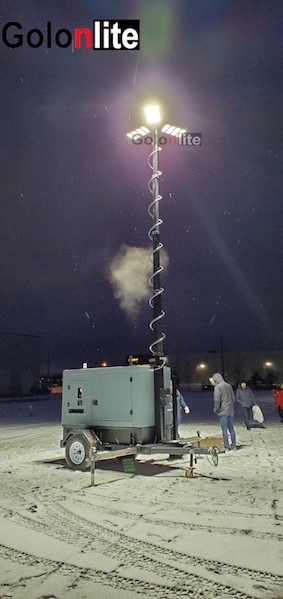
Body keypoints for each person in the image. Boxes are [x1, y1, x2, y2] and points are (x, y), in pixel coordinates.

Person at [209, 372, 237, 452]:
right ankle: (234, 445)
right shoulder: (228, 386)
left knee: (224, 429)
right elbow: (233, 398)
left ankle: (226, 446)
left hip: (222, 411)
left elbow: (217, 400)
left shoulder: (218, 387)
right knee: (231, 428)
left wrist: (216, 409)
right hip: (230, 410)